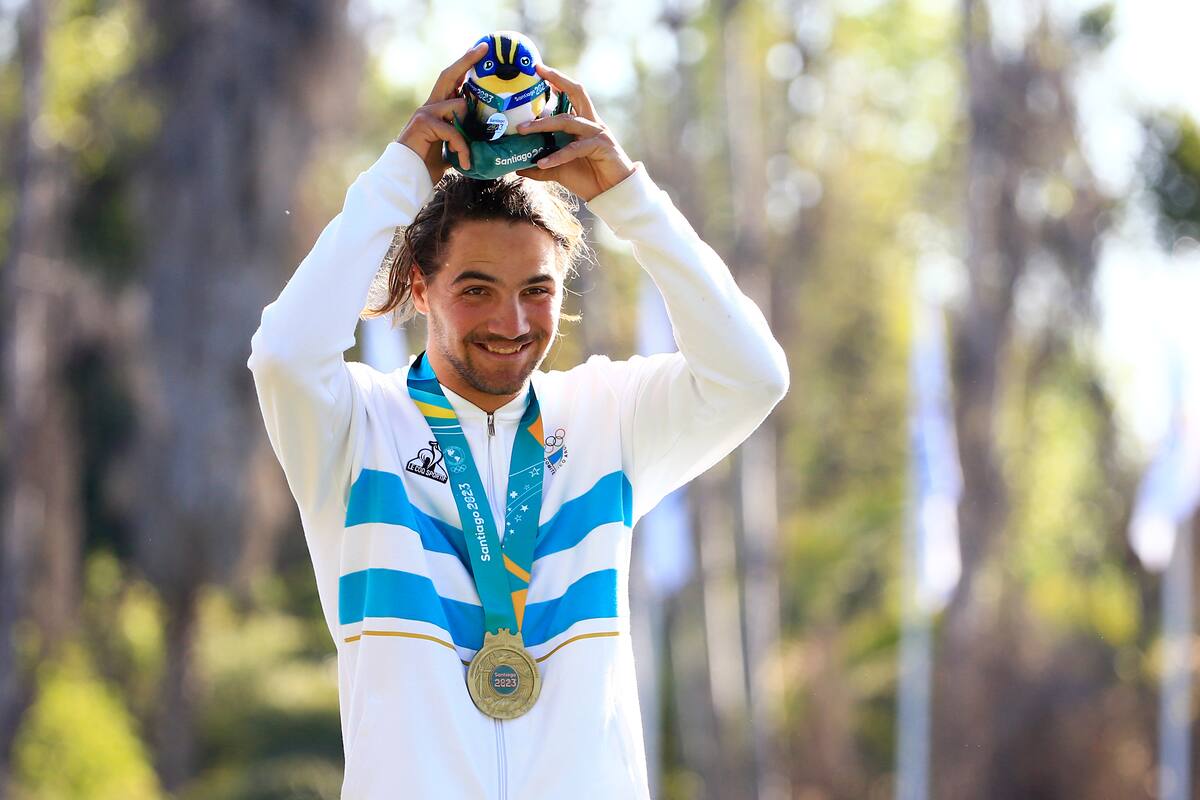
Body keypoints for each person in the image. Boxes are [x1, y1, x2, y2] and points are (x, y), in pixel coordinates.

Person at [248, 42, 788, 800]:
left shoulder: (608, 420)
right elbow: (283, 353)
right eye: (476, 288)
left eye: (537, 289)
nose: (511, 321)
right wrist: (403, 173)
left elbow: (753, 374)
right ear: (419, 287)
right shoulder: (355, 428)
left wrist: (627, 197)